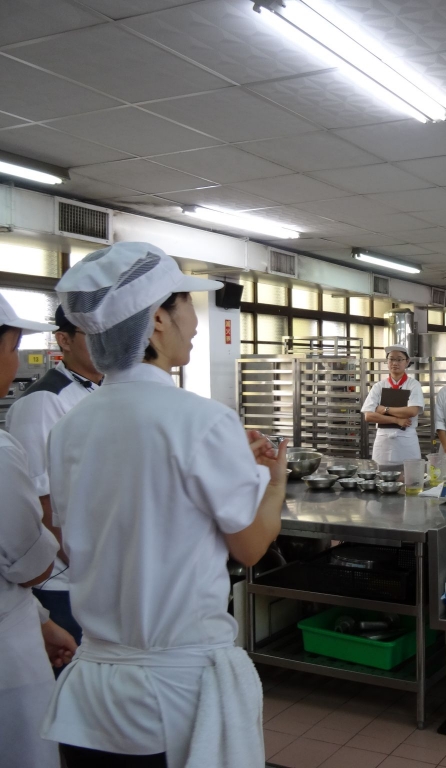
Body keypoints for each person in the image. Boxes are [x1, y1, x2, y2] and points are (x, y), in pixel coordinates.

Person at [40, 242, 289, 768]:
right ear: (157, 319)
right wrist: (273, 484)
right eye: (188, 305)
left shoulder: (69, 427)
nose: (195, 323)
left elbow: (84, 532)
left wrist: (227, 465)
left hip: (91, 695)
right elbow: (249, 547)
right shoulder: (202, 419)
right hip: (173, 697)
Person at [0, 295, 77, 768]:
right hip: (12, 646)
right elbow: (30, 561)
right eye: (13, 348)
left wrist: (40, 621)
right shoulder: (40, 405)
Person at [6, 306, 103, 646]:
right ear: (64, 339)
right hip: (67, 581)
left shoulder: (104, 391)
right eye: (94, 335)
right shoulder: (45, 402)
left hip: (100, 569)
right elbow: (41, 500)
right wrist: (87, 571)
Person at [361, 344, 425, 469]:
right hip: (383, 441)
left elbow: (412, 411)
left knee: (409, 476)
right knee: (381, 475)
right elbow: (369, 416)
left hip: (406, 440)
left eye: (399, 359)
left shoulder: (413, 385)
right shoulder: (378, 386)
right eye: (391, 359)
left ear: (407, 362)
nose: (395, 363)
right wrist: (397, 420)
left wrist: (384, 409)